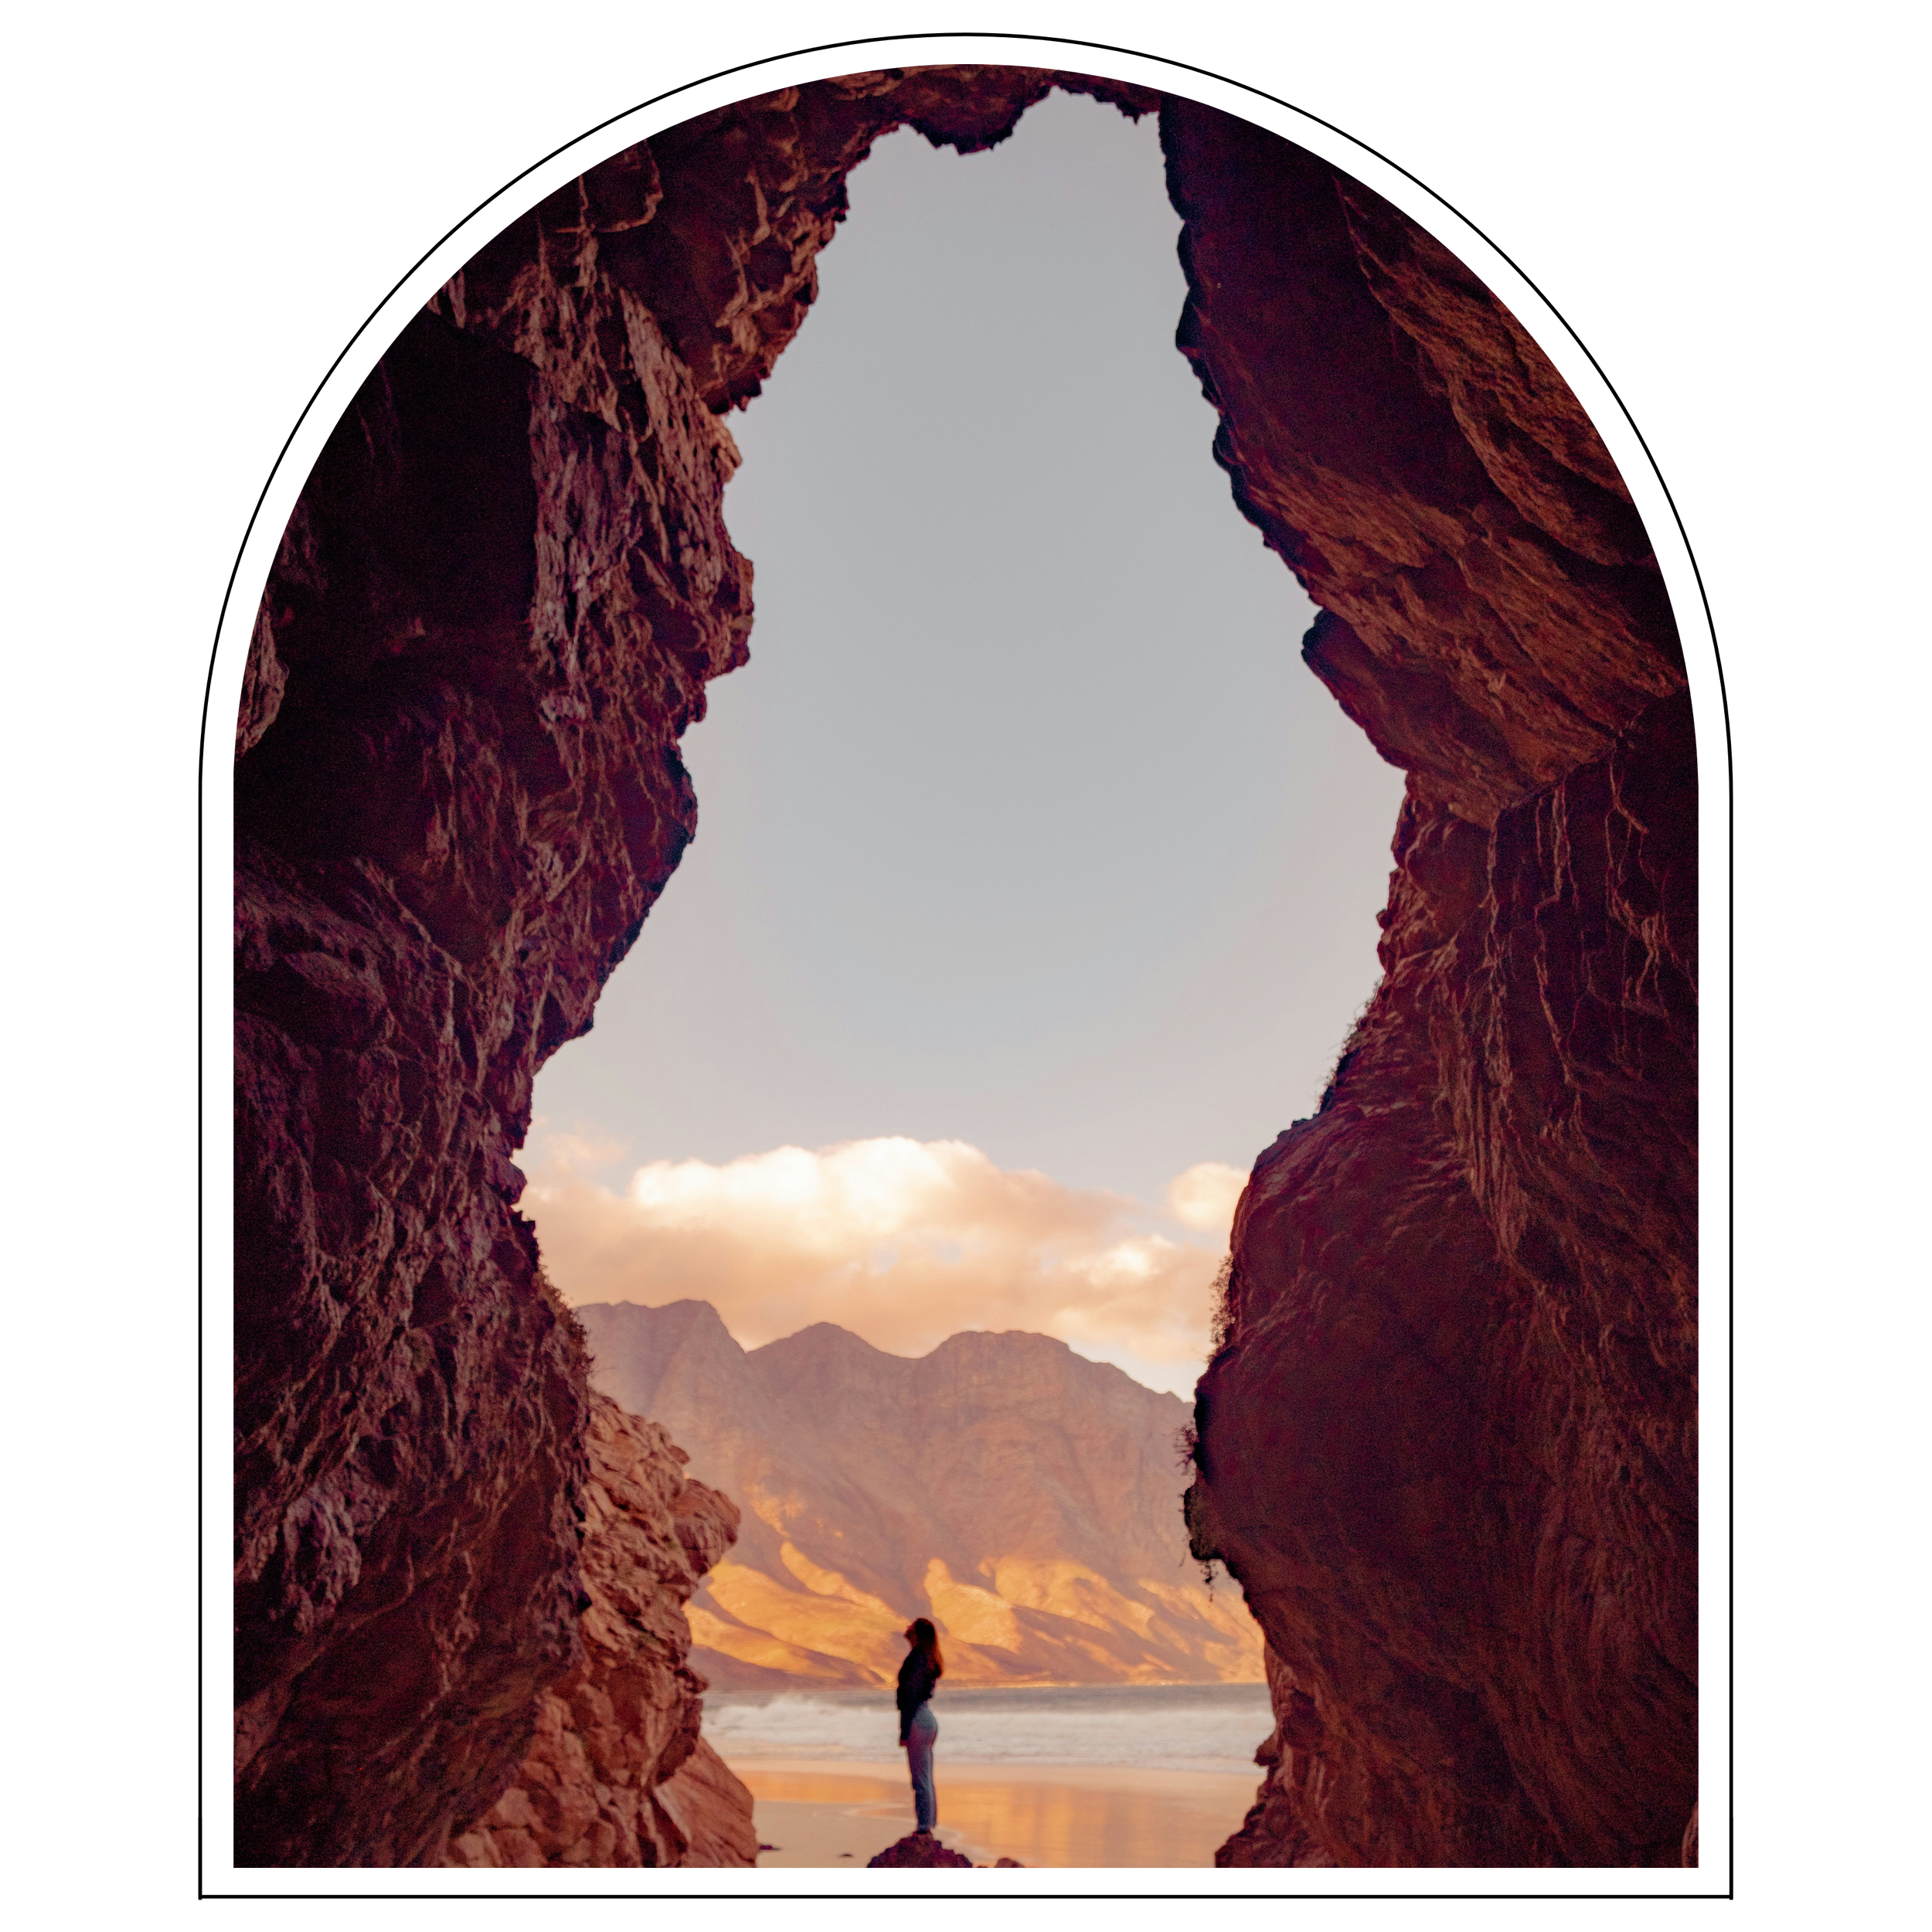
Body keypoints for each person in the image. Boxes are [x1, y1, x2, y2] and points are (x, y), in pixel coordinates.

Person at [896, 1617, 944, 1835]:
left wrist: (904, 1730)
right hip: (926, 1718)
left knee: (920, 1779)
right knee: (926, 1777)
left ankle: (924, 1828)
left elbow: (910, 1697)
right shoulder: (926, 1658)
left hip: (918, 1717)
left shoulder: (916, 1659)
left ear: (916, 1634)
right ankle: (929, 1823)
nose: (907, 1628)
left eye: (911, 1627)